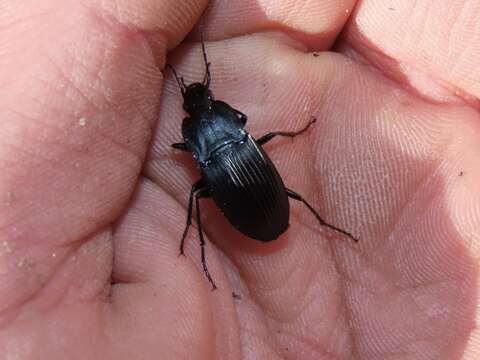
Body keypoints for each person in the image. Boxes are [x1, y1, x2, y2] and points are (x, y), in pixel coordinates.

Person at [0, 1, 479, 359]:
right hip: (243, 179)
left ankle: (231, 237)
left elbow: (183, 148)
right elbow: (233, 125)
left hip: (232, 186)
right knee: (264, 192)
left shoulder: (197, 146)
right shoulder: (234, 128)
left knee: (201, 190)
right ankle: (284, 230)